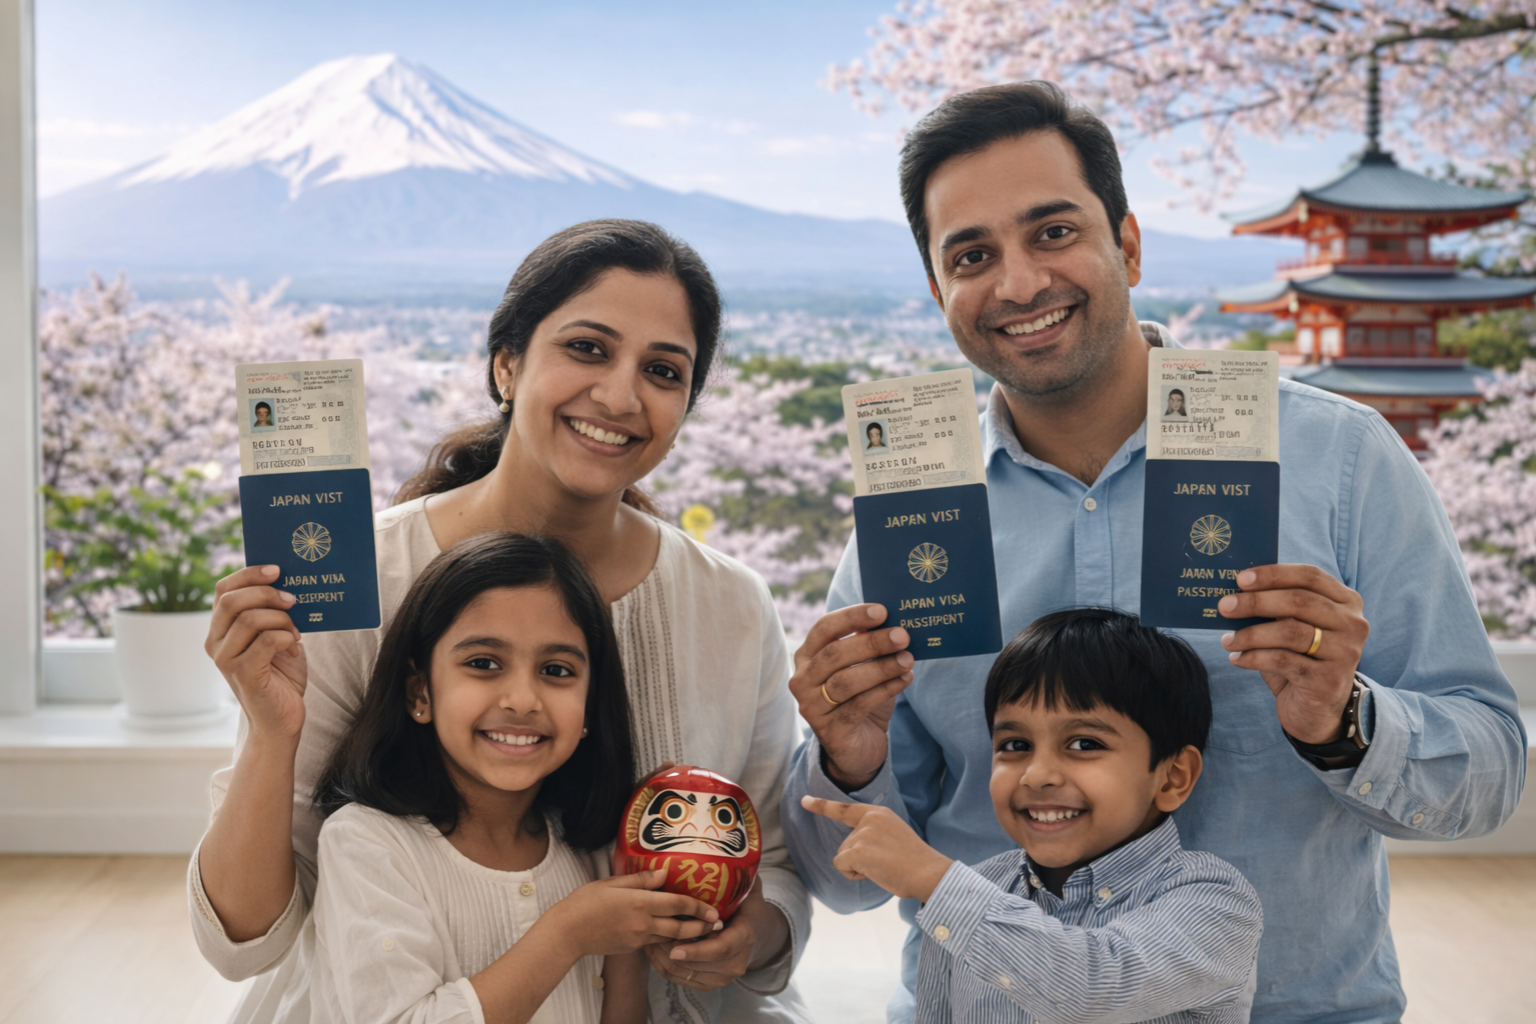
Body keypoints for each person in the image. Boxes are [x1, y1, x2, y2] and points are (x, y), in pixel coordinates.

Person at [781, 82, 1525, 1024]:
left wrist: (1345, 719)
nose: (1016, 285)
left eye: (1053, 232)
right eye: (973, 255)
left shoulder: (1337, 461)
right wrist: (848, 760)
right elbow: (842, 881)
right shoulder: (912, 515)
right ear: (939, 290)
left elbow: (1490, 775)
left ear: (1127, 245)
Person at [193, 220, 812, 1024]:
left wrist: (749, 935)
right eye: (588, 348)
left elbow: (778, 865)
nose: (621, 396)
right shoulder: (357, 581)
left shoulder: (731, 606)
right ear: (507, 363)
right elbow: (243, 942)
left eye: (663, 371)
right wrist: (270, 734)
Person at [311, 532, 721, 1024]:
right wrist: (567, 934)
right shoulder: (366, 842)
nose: (523, 699)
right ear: (420, 692)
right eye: (483, 663)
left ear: (590, 707)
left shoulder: (592, 848)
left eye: (556, 669)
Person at [804, 609, 1262, 1023]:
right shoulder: (968, 891)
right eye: (1015, 745)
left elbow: (1092, 988)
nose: (1037, 774)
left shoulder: (1215, 902)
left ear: (1172, 777)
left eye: (1085, 744)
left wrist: (934, 879)